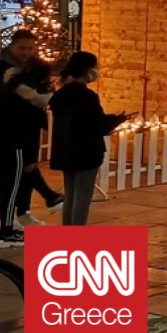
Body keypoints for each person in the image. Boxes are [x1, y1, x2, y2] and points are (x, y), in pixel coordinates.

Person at [0, 29, 64, 224]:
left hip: (28, 126)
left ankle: (24, 212)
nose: (26, 53)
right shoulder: (0, 68)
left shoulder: (34, 67)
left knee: (28, 167)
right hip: (6, 128)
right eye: (21, 48)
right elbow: (18, 95)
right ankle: (10, 223)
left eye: (30, 49)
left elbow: (40, 90)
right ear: (12, 45)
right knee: (16, 172)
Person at [49, 52, 127, 226]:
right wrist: (117, 120)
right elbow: (97, 124)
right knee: (82, 196)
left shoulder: (60, 95)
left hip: (66, 151)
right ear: (86, 70)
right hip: (86, 151)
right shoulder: (87, 96)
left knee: (70, 195)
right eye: (94, 67)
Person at [0, 58, 53, 248]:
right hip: (11, 142)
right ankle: (6, 232)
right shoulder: (19, 88)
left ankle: (13, 223)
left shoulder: (10, 85)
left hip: (6, 140)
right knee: (11, 185)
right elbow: (38, 101)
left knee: (14, 181)